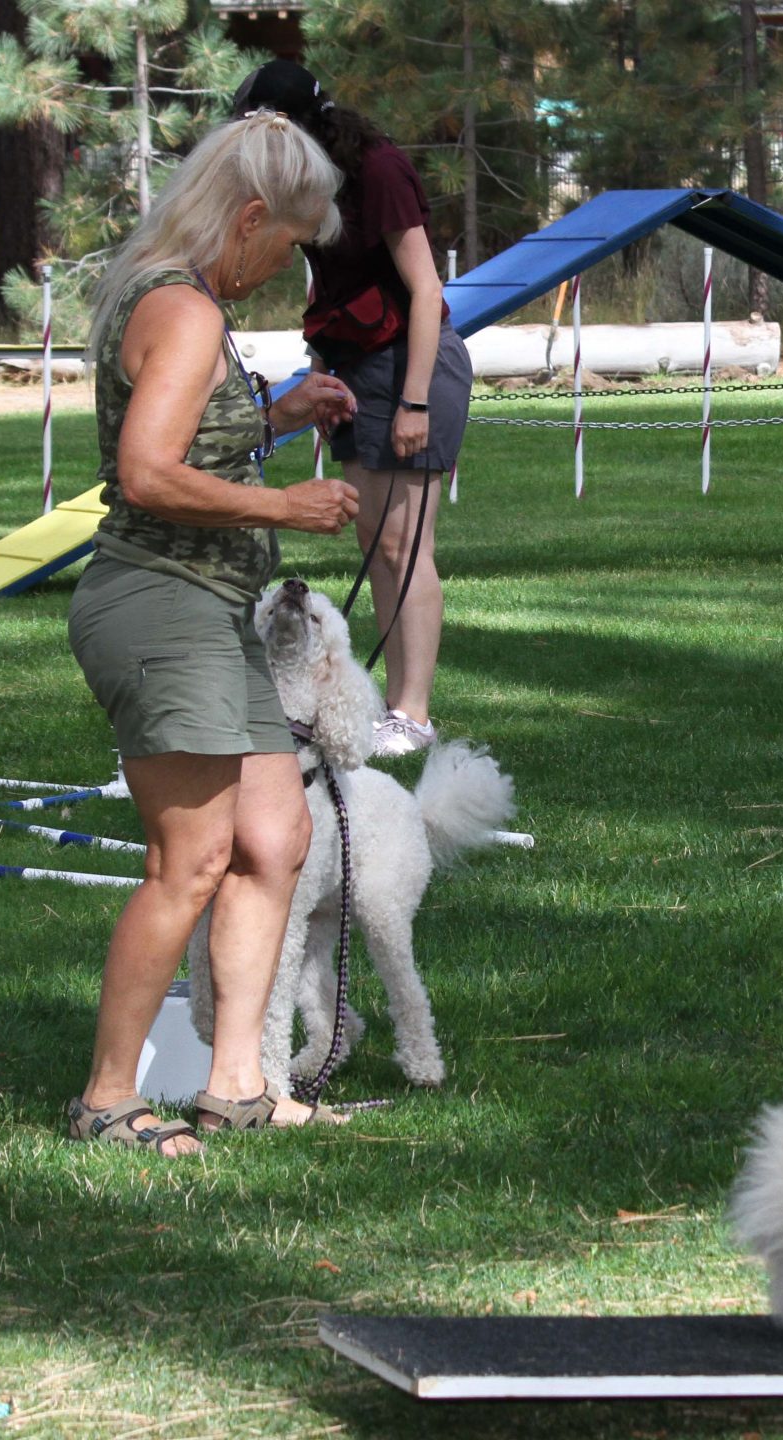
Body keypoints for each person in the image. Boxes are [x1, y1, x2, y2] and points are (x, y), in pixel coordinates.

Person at [62, 112, 364, 1155]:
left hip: (210, 609)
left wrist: (275, 417)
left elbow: (187, 433)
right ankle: (107, 1100)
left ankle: (236, 1083)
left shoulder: (176, 296)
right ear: (245, 219)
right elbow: (144, 472)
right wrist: (285, 506)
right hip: (160, 604)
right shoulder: (184, 310)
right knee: (186, 860)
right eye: (283, 247)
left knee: (277, 838)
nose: (284, 271)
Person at [233, 60, 472, 759]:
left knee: (405, 545)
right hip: (353, 366)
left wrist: (415, 401)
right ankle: (393, 710)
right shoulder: (308, 182)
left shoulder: (380, 169)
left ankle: (413, 712)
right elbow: (329, 288)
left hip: (411, 364)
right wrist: (320, 375)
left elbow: (426, 292)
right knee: (377, 545)